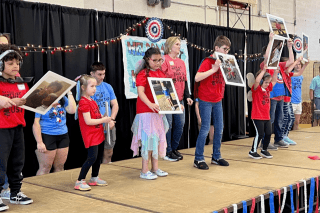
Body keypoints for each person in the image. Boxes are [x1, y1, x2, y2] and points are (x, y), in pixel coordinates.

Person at [0, 44, 33, 212]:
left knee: (17, 162)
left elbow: (26, 101)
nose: (15, 66)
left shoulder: (20, 82)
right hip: (1, 129)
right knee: (0, 163)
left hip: (18, 126)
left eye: (17, 62)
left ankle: (15, 192)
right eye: (10, 63)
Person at [193, 35, 231, 170]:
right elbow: (197, 78)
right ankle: (198, 158)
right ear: (216, 48)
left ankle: (216, 156)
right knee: (205, 129)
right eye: (224, 49)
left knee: (219, 129)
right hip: (206, 100)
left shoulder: (225, 61)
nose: (226, 52)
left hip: (217, 99)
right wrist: (213, 69)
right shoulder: (208, 61)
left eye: (228, 50)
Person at [131, 47, 169, 180]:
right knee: (148, 142)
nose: (158, 63)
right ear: (148, 59)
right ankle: (144, 170)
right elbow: (140, 92)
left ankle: (155, 168)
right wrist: (150, 104)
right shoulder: (143, 74)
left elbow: (166, 93)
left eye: (160, 60)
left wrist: (174, 105)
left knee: (156, 141)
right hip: (145, 112)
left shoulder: (162, 73)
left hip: (158, 113)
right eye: (155, 60)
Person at [74, 74, 112, 191]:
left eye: (95, 86)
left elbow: (96, 115)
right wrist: (103, 120)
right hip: (90, 135)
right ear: (83, 88)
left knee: (98, 157)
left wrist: (103, 116)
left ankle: (94, 177)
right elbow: (88, 121)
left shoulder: (92, 101)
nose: (95, 89)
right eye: (92, 86)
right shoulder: (83, 102)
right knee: (92, 157)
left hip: (98, 132)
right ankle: (79, 180)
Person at [260, 32, 294, 149]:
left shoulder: (279, 64)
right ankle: (265, 141)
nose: (275, 54)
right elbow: (269, 56)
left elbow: (291, 61)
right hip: (271, 96)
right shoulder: (265, 65)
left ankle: (278, 139)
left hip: (280, 96)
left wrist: (290, 48)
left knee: (279, 119)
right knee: (270, 119)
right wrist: (271, 40)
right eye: (272, 53)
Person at [161, 36, 193, 161]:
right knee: (168, 124)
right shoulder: (164, 60)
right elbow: (161, 80)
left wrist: (188, 96)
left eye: (180, 44)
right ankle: (167, 151)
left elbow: (184, 80)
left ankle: (174, 148)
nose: (179, 46)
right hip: (167, 97)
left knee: (180, 124)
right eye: (177, 44)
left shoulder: (181, 62)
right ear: (170, 46)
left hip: (179, 99)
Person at [32, 89, 76, 175]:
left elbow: (72, 110)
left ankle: (56, 187)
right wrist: (39, 142)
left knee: (60, 166)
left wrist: (69, 93)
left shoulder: (62, 98)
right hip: (47, 135)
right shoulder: (41, 101)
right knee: (45, 167)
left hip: (63, 135)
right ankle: (40, 187)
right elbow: (35, 123)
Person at [90, 62, 118, 164]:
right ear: (92, 74)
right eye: (99, 74)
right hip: (95, 125)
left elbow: (115, 104)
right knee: (94, 155)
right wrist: (103, 120)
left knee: (109, 152)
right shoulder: (88, 88)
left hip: (109, 124)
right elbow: (89, 109)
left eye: (104, 74)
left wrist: (112, 120)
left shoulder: (108, 86)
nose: (102, 77)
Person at [249, 65, 278, 159]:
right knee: (260, 134)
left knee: (269, 133)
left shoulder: (267, 89)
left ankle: (264, 150)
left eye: (268, 82)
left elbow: (274, 81)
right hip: (257, 116)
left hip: (266, 116)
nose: (267, 84)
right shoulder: (256, 89)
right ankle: (253, 151)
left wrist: (276, 72)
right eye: (265, 82)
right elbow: (257, 81)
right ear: (261, 81)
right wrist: (263, 71)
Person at [280, 56, 308, 145]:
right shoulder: (285, 72)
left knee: (291, 119)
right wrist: (297, 60)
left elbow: (299, 73)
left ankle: (285, 136)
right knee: (285, 119)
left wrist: (305, 65)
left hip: (291, 100)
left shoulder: (291, 74)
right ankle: (281, 137)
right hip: (287, 99)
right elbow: (289, 70)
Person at [292, 59, 309, 130]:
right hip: (292, 101)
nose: (298, 66)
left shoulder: (301, 76)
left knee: (297, 122)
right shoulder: (291, 75)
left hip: (298, 101)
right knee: (289, 121)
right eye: (296, 64)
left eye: (299, 64)